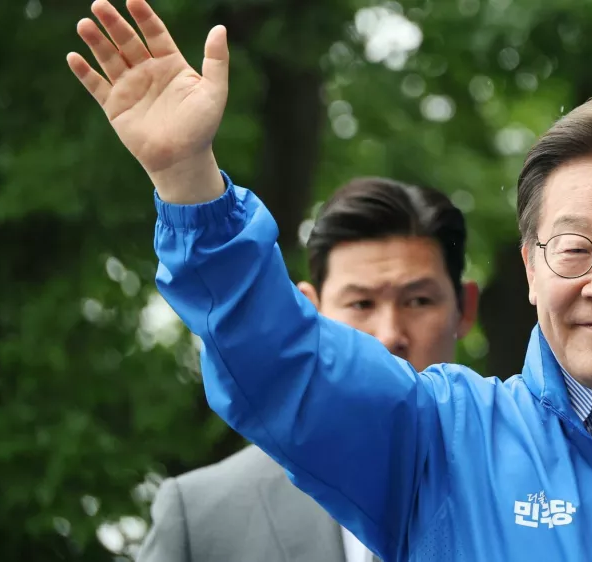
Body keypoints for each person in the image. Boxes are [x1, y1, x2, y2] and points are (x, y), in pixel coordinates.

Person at [67, 1, 592, 559]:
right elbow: (283, 358)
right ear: (531, 270)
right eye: (574, 250)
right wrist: (188, 181)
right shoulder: (436, 438)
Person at [136, 176, 479, 562]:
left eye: (417, 301)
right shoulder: (202, 516)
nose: (389, 336)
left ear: (464, 308)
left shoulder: (532, 490)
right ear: (310, 311)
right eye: (361, 304)